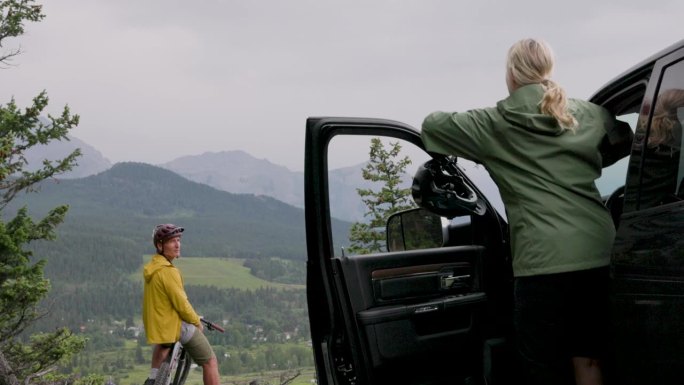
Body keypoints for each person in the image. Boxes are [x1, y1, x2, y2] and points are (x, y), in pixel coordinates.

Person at [420, 38, 632, 385]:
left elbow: (432, 126)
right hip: (597, 252)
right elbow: (624, 139)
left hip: (542, 261)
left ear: (511, 75)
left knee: (541, 367)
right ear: (549, 70)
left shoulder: (492, 124)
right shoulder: (588, 114)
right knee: (590, 359)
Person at [142, 224, 220, 385]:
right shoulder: (168, 271)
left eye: (178, 240)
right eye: (172, 241)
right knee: (210, 361)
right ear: (160, 245)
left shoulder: (153, 268)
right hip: (175, 327)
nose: (177, 245)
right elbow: (182, 305)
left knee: (162, 350)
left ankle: (153, 378)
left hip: (160, 326)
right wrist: (196, 321)